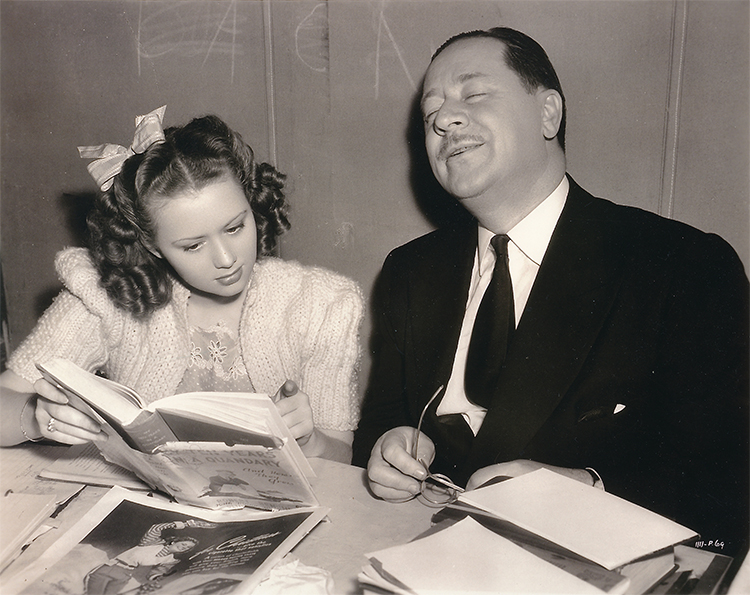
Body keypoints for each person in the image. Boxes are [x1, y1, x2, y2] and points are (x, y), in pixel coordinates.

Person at [352, 27, 749, 556]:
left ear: (548, 114)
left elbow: (727, 479)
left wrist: (587, 489)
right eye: (431, 114)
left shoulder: (681, 265)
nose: (444, 119)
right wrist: (386, 452)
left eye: (474, 94)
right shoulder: (409, 271)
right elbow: (377, 429)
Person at [1, 107, 364, 464]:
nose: (226, 258)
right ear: (151, 245)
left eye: (235, 227)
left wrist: (311, 441)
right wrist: (34, 416)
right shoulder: (108, 296)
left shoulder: (321, 305)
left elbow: (340, 455)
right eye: (193, 246)